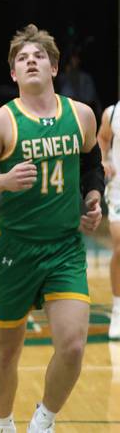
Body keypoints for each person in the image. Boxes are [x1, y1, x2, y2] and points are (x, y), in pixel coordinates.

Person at [0, 24, 103, 433]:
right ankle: (4, 423)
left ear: (54, 66)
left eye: (38, 56)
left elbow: (91, 166)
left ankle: (44, 419)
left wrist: (93, 199)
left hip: (64, 247)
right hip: (15, 250)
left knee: (73, 345)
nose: (30, 61)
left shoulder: (81, 115)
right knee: (6, 352)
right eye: (22, 58)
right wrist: (1, 181)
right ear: (13, 74)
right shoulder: (0, 122)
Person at [97, 102, 120, 340]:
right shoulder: (113, 113)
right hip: (119, 190)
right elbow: (102, 139)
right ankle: (118, 310)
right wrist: (104, 160)